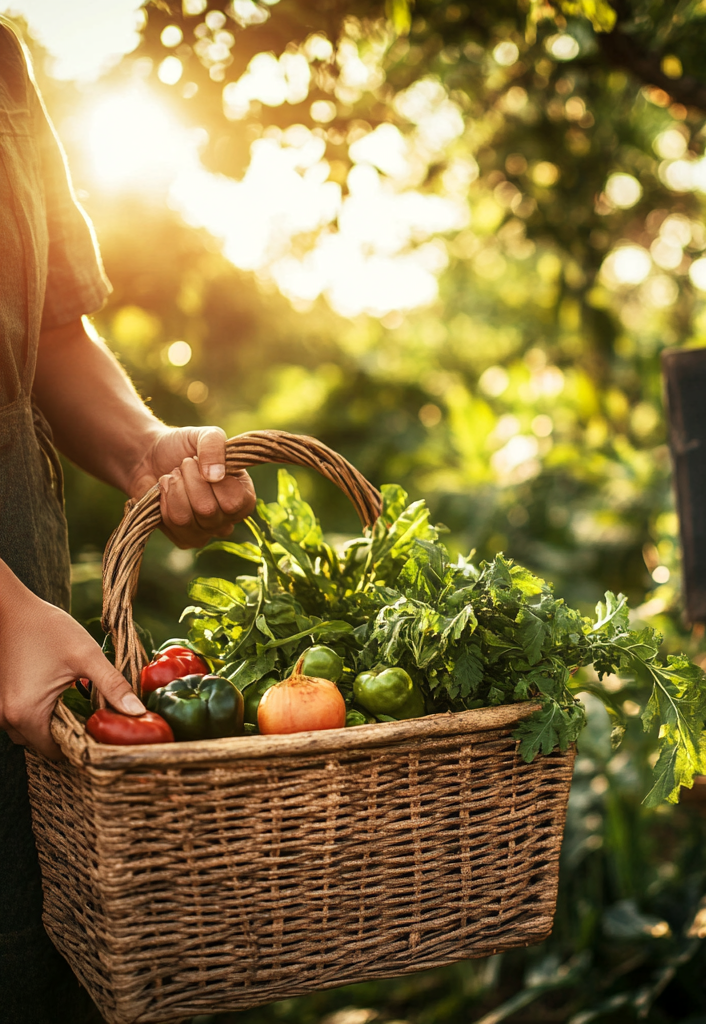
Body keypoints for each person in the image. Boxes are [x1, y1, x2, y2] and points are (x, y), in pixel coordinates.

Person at [0, 18, 256, 1022]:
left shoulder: (4, 56)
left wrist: (143, 450)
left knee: (37, 948)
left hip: (28, 631)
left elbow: (50, 329)